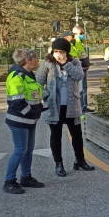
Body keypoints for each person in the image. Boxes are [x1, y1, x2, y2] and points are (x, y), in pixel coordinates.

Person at [36, 37, 94, 177]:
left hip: (72, 105)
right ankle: (59, 164)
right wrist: (46, 95)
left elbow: (79, 76)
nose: (58, 54)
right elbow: (38, 82)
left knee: (77, 135)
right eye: (56, 51)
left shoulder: (74, 62)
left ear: (66, 52)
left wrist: (65, 64)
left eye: (61, 51)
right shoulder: (47, 64)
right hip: (55, 106)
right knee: (55, 136)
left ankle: (80, 161)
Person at [3, 49, 44, 194]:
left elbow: (32, 95)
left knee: (28, 150)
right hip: (19, 120)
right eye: (36, 59)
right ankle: (9, 181)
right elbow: (17, 102)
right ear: (28, 60)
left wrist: (40, 107)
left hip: (29, 120)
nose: (38, 61)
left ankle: (26, 177)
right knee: (20, 150)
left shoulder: (29, 74)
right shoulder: (16, 76)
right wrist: (33, 111)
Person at [70, 25, 92, 113]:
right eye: (81, 33)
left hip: (84, 69)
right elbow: (74, 58)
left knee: (84, 88)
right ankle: (81, 107)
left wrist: (87, 63)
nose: (83, 35)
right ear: (75, 34)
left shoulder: (80, 43)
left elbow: (82, 55)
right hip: (79, 69)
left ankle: (84, 106)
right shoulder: (73, 43)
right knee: (80, 89)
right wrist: (81, 65)